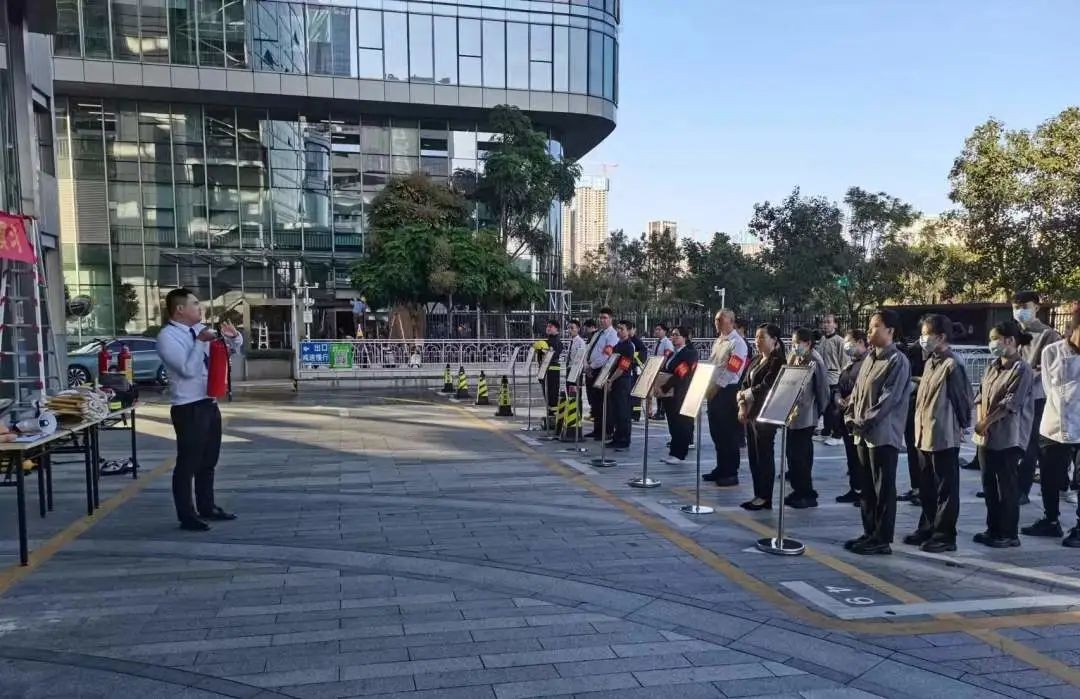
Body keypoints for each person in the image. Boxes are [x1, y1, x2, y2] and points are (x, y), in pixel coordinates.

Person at [157, 288, 244, 532]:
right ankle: (187, 515)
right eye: (195, 303)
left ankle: (207, 506)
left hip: (209, 402)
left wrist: (234, 339)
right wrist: (199, 343)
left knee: (209, 460)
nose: (200, 307)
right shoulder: (168, 337)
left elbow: (225, 354)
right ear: (180, 309)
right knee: (188, 463)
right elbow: (187, 370)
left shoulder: (200, 331)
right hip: (188, 406)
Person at [844, 309, 912, 555]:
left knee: (883, 487)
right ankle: (869, 531)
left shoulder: (897, 361)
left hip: (882, 434)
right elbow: (857, 392)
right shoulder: (870, 358)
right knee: (867, 487)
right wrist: (850, 415)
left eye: (875, 326)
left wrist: (863, 421)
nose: (869, 331)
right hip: (862, 432)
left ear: (890, 331)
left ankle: (882, 538)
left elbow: (888, 399)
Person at [904, 314, 974, 553]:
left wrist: (962, 427)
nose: (922, 339)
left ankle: (945, 535)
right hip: (924, 434)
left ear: (941, 337)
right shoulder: (931, 362)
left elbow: (963, 400)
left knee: (945, 488)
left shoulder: (952, 364)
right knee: (926, 486)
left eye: (926, 334)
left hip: (943, 434)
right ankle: (927, 526)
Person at [1021, 303, 1080, 547]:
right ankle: (1051, 520)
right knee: (1049, 477)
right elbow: (1047, 386)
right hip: (1053, 423)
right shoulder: (1052, 352)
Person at [973, 319, 1035, 548]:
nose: (992, 344)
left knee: (1006, 487)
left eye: (995, 339)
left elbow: (1011, 403)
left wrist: (986, 422)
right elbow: (980, 396)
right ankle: (993, 529)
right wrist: (981, 422)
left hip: (1009, 437)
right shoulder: (993, 366)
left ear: (1010, 341)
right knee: (989, 485)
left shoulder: (1022, 369)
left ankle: (1008, 533)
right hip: (986, 436)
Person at [1013, 291, 1063, 504]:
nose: (1020, 311)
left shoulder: (1048, 335)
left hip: (1035, 396)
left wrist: (1025, 375)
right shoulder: (1013, 332)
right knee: (1011, 442)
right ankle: (1006, 486)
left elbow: (1050, 369)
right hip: (1012, 395)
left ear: (1036, 308)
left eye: (1024, 307)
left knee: (1029, 444)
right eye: (1016, 307)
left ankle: (1022, 490)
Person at [737, 324, 786, 510]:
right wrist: (742, 403)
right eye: (756, 337)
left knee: (764, 454)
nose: (757, 341)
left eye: (762, 337)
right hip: (750, 413)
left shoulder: (778, 361)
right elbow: (744, 383)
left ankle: (765, 496)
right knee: (753, 455)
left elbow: (768, 386)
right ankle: (757, 493)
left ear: (774, 340)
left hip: (765, 414)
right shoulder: (757, 359)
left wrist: (746, 394)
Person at [785, 328, 830, 509]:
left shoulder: (814, 360)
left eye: (797, 343)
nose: (794, 346)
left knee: (802, 456)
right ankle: (797, 490)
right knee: (792, 455)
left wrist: (819, 411)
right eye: (793, 343)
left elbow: (823, 389)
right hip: (792, 415)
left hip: (806, 415)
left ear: (808, 343)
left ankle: (807, 493)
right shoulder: (796, 357)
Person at [703, 309, 749, 487]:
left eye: (720, 320)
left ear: (731, 321)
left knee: (728, 433)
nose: (717, 323)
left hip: (727, 390)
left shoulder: (738, 343)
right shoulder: (719, 341)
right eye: (716, 320)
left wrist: (716, 387)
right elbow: (713, 363)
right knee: (717, 432)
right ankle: (721, 467)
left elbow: (733, 369)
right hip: (714, 389)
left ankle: (730, 472)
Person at [835, 330, 869, 504]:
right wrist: (838, 397)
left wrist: (851, 398)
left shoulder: (868, 362)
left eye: (849, 342)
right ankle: (855, 488)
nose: (846, 346)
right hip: (845, 415)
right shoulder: (850, 364)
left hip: (859, 415)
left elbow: (864, 387)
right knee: (851, 456)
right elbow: (839, 385)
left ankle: (864, 491)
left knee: (860, 457)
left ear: (861, 342)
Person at [658, 326, 699, 464]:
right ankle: (673, 452)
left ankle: (680, 454)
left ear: (685, 337)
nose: (673, 337)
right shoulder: (673, 353)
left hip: (681, 392)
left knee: (681, 423)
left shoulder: (689, 353)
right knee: (672, 423)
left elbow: (681, 373)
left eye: (677, 335)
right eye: (672, 335)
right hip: (669, 394)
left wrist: (665, 386)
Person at [898, 337, 926, 506]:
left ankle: (925, 490)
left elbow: (928, 381)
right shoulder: (912, 353)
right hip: (910, 408)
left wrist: (916, 379)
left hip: (924, 412)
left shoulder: (940, 358)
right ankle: (916, 488)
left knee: (922, 453)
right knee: (911, 450)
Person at [585, 310, 618, 439]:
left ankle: (607, 431)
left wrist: (592, 366)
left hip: (602, 370)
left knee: (604, 402)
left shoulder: (612, 335)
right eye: (600, 318)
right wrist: (586, 365)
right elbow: (589, 349)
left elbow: (606, 355)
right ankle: (597, 429)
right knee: (595, 402)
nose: (602, 320)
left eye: (605, 318)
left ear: (610, 319)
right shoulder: (598, 333)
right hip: (591, 369)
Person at [605, 320, 637, 450]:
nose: (618, 331)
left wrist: (611, 380)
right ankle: (617, 437)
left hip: (622, 381)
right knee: (616, 411)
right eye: (618, 328)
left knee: (623, 411)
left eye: (622, 329)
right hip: (615, 381)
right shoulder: (618, 345)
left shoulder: (628, 346)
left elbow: (623, 367)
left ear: (628, 331)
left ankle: (624, 439)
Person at [818, 314, 846, 447]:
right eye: (824, 322)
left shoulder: (839, 341)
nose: (826, 325)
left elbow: (844, 361)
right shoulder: (823, 339)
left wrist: (842, 378)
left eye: (829, 322)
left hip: (834, 377)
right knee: (826, 407)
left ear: (835, 324)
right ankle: (826, 431)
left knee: (834, 408)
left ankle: (838, 434)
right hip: (824, 377)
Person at [534, 320, 563, 429]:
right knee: (547, 396)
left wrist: (544, 350)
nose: (548, 328)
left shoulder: (557, 342)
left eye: (551, 326)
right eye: (547, 326)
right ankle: (550, 418)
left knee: (552, 396)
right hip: (545, 371)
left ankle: (554, 420)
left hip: (552, 372)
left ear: (556, 329)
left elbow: (553, 355)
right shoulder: (547, 340)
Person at [651, 324, 675, 420]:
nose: (657, 331)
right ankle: (658, 411)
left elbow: (666, 357)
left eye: (659, 329)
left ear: (664, 331)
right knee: (658, 392)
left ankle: (661, 412)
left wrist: (660, 367)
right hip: (657, 369)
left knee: (663, 392)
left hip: (663, 370)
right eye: (656, 329)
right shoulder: (657, 342)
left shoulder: (667, 343)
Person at [628, 322, 649, 422]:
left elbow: (643, 354)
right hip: (629, 371)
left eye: (630, 329)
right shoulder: (626, 340)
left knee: (636, 395)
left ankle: (636, 415)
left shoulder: (637, 341)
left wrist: (634, 358)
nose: (629, 331)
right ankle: (629, 413)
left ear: (634, 329)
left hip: (636, 371)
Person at [566, 319, 587, 395]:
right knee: (569, 393)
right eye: (568, 328)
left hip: (576, 371)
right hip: (569, 368)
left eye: (572, 328)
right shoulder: (571, 341)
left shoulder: (580, 342)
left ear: (578, 329)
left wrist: (579, 373)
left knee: (575, 394)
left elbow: (581, 358)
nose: (569, 330)